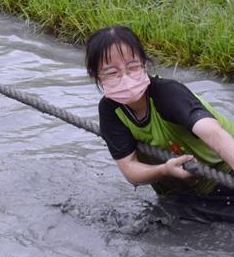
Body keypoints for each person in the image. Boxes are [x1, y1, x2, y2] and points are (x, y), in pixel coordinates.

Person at [86, 25, 234, 200]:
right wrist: (164, 170)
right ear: (97, 78)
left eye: (132, 67)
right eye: (112, 72)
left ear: (144, 65)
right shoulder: (110, 111)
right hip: (180, 191)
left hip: (225, 173)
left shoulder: (167, 94)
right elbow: (129, 168)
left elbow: (212, 132)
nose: (125, 77)